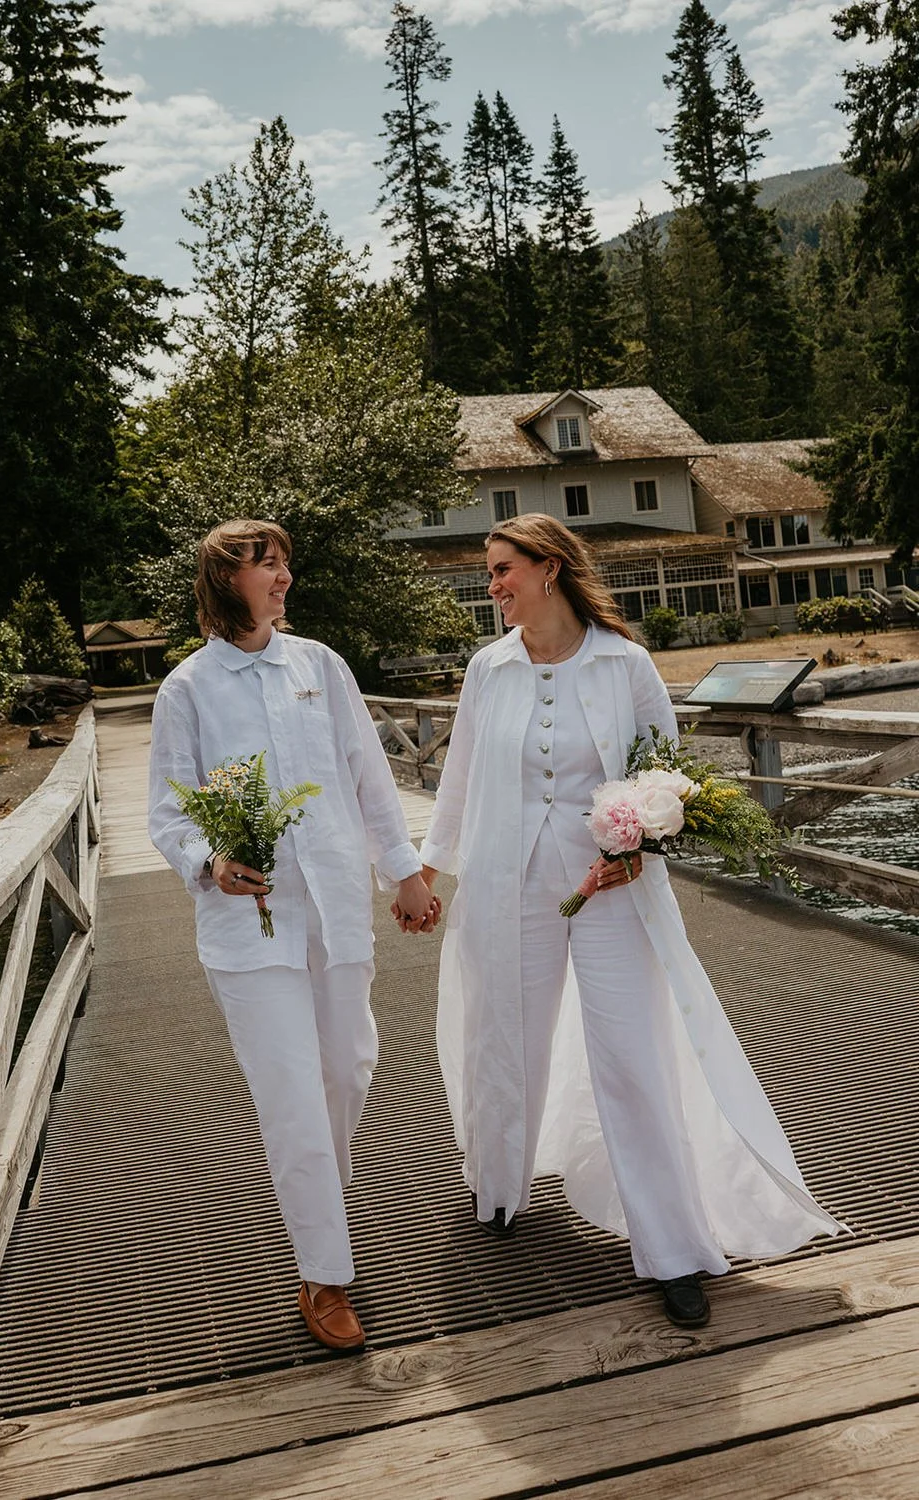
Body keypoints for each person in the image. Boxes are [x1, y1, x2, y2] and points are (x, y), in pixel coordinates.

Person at [414, 514, 842, 1327]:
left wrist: (638, 848)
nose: (493, 585)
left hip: (611, 884)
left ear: (548, 568)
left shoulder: (626, 663)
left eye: (503, 569)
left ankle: (672, 1247)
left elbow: (665, 780)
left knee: (631, 1053)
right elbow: (461, 780)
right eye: (491, 571)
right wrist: (423, 873)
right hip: (510, 883)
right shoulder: (488, 670)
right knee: (507, 1033)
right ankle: (499, 1190)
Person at [149, 518, 438, 1353]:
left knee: (348, 1066)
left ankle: (322, 1204)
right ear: (223, 580)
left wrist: (406, 869)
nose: (282, 577)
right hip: (249, 925)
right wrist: (211, 860)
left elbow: (368, 776)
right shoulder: (187, 689)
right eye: (265, 565)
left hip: (336, 905)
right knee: (291, 1095)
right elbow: (167, 811)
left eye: (282, 563)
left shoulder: (321, 664)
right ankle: (324, 1271)